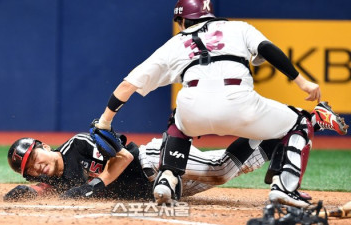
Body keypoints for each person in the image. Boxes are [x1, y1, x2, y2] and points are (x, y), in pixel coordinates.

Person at [89, 0, 348, 208]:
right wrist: (302, 82)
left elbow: (126, 86)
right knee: (298, 123)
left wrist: (105, 121)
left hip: (193, 107)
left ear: (181, 21)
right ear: (209, 15)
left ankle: (168, 176)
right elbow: (268, 50)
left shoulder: (175, 43)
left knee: (178, 120)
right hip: (240, 103)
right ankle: (285, 187)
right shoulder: (239, 28)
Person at [4, 132, 273, 201]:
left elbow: (124, 157)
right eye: (29, 168)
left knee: (219, 168)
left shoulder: (77, 145)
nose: (36, 166)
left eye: (33, 156)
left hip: (154, 161)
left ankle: (276, 126)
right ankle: (278, 139)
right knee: (227, 171)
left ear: (45, 147)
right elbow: (49, 190)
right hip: (157, 189)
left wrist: (94, 186)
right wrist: (29, 192)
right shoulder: (56, 180)